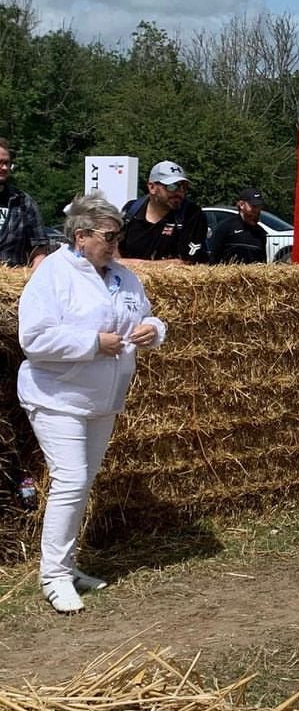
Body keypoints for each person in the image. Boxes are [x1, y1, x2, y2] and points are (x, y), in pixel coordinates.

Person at [18, 193, 166, 613]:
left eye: (119, 235)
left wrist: (153, 330)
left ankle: (67, 565)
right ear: (80, 236)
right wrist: (92, 343)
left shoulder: (123, 277)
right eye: (109, 236)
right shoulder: (53, 275)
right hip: (57, 396)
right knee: (71, 480)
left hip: (104, 398)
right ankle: (54, 577)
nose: (116, 244)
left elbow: (147, 315)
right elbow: (34, 338)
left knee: (83, 482)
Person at [120, 160, 208, 263]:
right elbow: (114, 253)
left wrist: (132, 264)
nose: (179, 192)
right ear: (152, 187)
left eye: (184, 187)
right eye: (172, 186)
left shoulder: (191, 214)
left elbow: (184, 263)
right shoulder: (131, 211)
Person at [0, 137, 50, 267]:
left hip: (13, 278)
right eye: (0, 163)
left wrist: (34, 274)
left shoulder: (24, 202)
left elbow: (39, 250)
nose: (4, 167)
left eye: (7, 163)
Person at [208, 187, 268, 264]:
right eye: (253, 206)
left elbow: (263, 263)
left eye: (259, 206)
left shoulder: (261, 233)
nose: (257, 210)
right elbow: (213, 259)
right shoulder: (225, 228)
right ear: (241, 205)